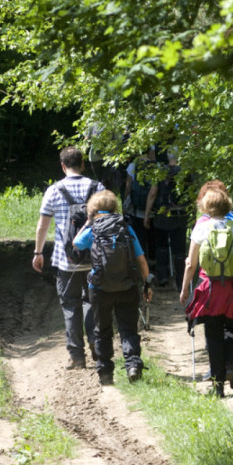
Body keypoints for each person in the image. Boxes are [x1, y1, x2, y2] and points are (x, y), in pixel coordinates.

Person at [33, 146, 104, 369]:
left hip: (66, 261)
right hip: (95, 258)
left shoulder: (54, 190)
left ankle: (76, 356)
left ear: (63, 166)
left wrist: (38, 252)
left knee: (70, 305)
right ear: (83, 164)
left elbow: (43, 225)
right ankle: (95, 341)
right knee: (92, 301)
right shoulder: (97, 187)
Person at [73, 190, 154, 385]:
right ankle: (133, 365)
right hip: (127, 286)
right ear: (114, 207)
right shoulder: (125, 227)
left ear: (93, 210)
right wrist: (147, 284)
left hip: (100, 289)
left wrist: (87, 222)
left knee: (103, 330)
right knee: (128, 328)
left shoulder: (93, 229)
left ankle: (105, 373)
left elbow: (76, 243)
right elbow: (141, 259)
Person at [180, 187, 233, 398]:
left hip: (209, 291)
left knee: (213, 335)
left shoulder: (201, 228)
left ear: (205, 206)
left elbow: (191, 264)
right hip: (232, 290)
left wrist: (185, 288)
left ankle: (218, 385)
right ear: (227, 204)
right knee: (232, 327)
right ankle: (231, 365)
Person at [144, 153, 188, 290]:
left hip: (162, 215)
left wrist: (146, 215)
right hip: (181, 216)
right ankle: (181, 281)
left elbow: (152, 193)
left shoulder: (160, 172)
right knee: (180, 251)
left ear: (168, 157)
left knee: (161, 246)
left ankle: (163, 278)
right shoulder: (186, 172)